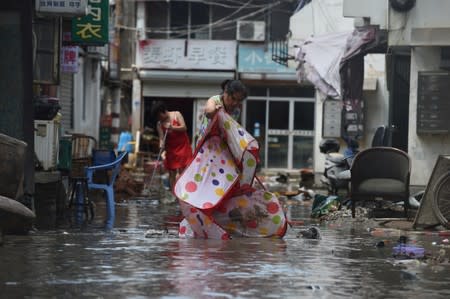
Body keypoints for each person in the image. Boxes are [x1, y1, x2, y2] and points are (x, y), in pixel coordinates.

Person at [152, 103, 193, 190]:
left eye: (159, 116)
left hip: (183, 147)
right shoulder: (159, 124)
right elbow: (161, 138)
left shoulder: (176, 114)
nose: (159, 119)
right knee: (172, 172)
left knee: (183, 170)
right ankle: (173, 193)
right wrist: (161, 145)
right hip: (171, 149)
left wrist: (172, 127)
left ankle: (183, 192)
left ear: (163, 112)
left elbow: (184, 128)